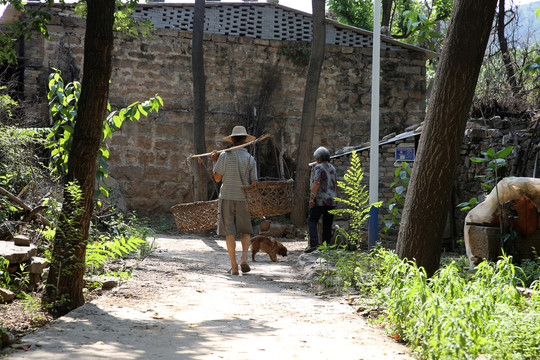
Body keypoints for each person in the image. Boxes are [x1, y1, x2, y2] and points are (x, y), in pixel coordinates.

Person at [211, 125, 258, 275]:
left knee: (229, 231)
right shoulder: (250, 159)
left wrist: (214, 161)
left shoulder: (224, 155)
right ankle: (244, 258)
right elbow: (254, 183)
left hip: (227, 197)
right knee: (245, 230)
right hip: (243, 198)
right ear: (245, 139)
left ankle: (234, 266)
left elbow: (217, 178)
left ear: (232, 140)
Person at [305, 146, 337, 253]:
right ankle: (325, 246)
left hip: (320, 200)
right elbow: (336, 184)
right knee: (327, 223)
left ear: (319, 158)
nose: (315, 160)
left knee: (312, 220)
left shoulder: (318, 167)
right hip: (331, 200)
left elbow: (316, 182)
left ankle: (313, 244)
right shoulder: (332, 168)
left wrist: (311, 198)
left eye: (315, 158)